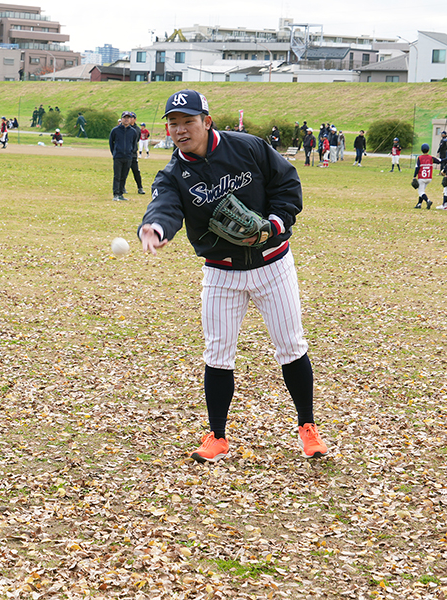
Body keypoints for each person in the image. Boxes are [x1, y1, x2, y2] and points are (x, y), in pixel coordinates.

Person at [138, 89, 328, 464]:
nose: (180, 130)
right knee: (218, 354)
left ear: (207, 121)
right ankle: (218, 436)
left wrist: (275, 224)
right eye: (173, 123)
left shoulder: (247, 147)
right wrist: (155, 227)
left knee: (291, 346)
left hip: (272, 264)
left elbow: (286, 184)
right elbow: (164, 205)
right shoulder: (173, 174)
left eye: (188, 121)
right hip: (221, 272)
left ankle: (308, 428)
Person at [109, 111, 137, 201]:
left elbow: (134, 144)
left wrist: (131, 153)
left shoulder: (133, 132)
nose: (126, 119)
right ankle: (116, 194)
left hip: (128, 157)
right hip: (118, 156)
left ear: (130, 119)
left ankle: (121, 193)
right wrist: (114, 153)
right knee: (117, 176)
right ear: (121, 119)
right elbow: (111, 142)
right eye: (125, 117)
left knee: (124, 176)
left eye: (128, 118)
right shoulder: (115, 130)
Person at [413, 143, 439, 209]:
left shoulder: (420, 158)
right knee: (422, 191)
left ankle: (428, 201)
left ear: (421, 150)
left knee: (421, 192)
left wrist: (414, 176)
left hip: (422, 178)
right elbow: (439, 161)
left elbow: (417, 167)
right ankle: (419, 204)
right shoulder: (431, 158)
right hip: (429, 178)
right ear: (428, 150)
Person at [128, 113, 145, 195]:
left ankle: (140, 188)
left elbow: (136, 139)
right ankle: (122, 187)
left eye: (132, 118)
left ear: (135, 119)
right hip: (125, 153)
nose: (130, 119)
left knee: (136, 171)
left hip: (133, 153)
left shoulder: (137, 129)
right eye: (129, 117)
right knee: (124, 172)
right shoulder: (125, 127)